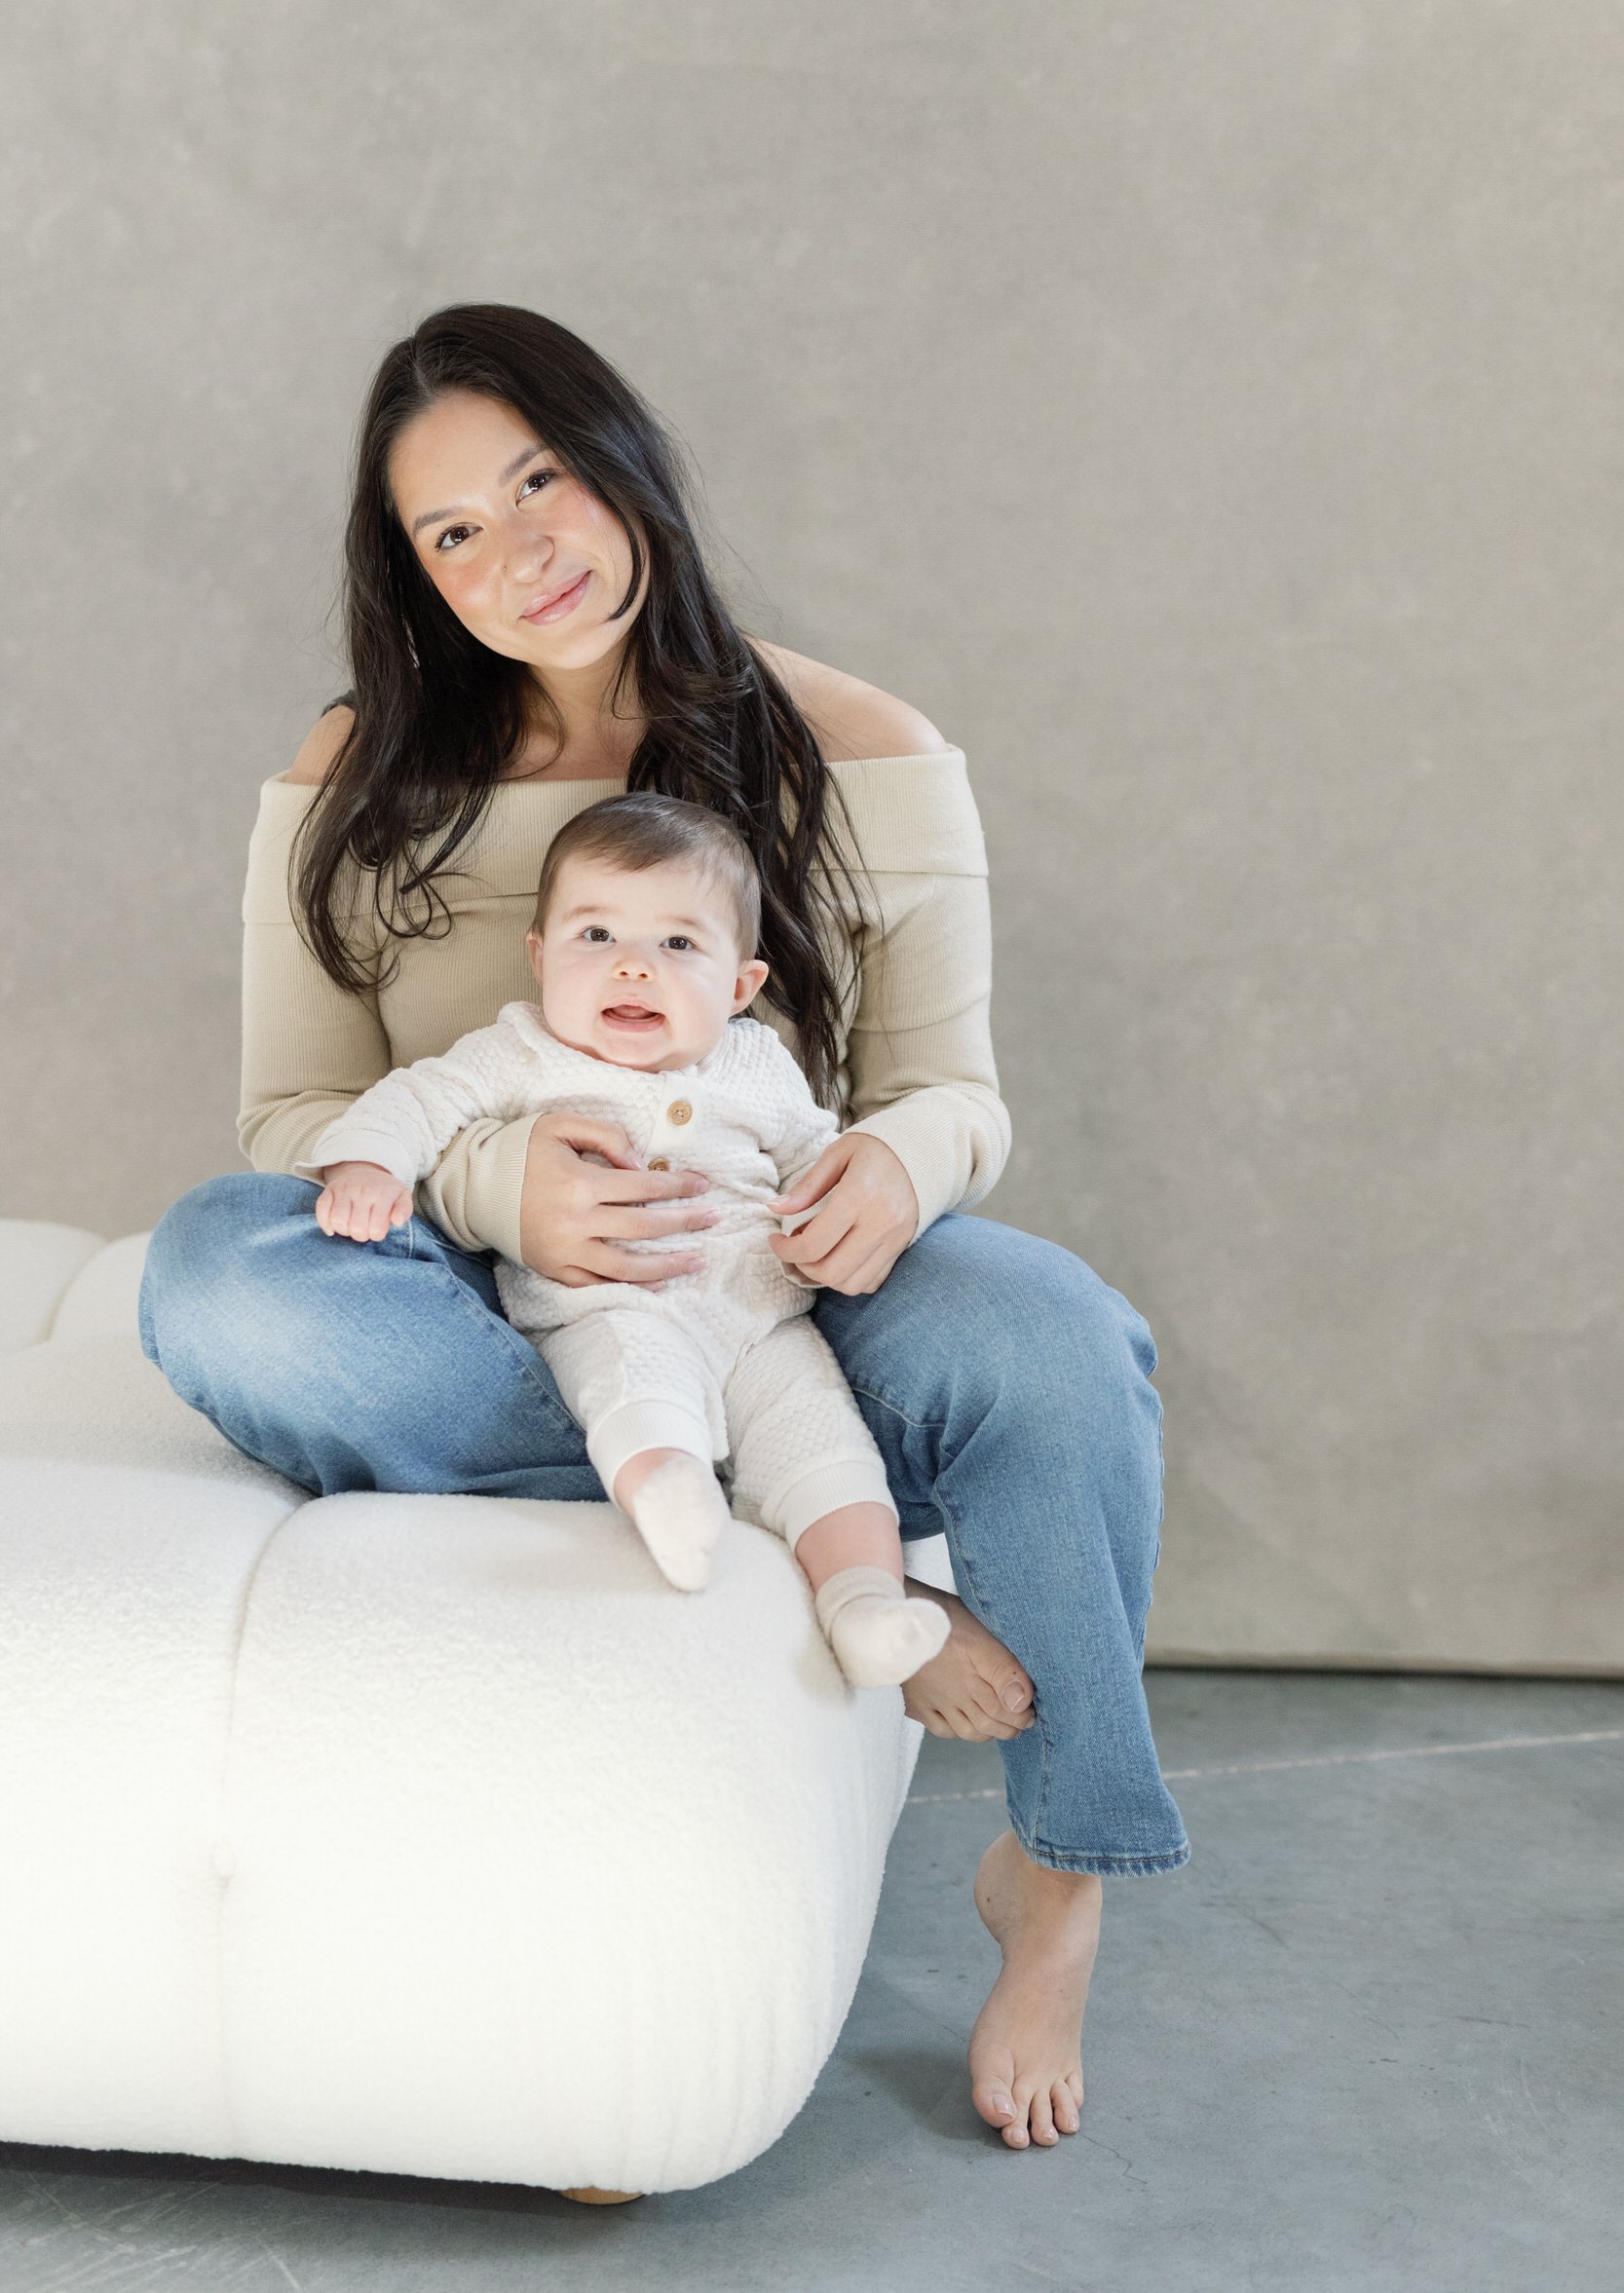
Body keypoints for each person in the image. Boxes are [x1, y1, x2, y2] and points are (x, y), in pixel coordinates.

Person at [137, 300, 1189, 2156]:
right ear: (416, 573)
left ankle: (1057, 1874)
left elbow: (952, 1091)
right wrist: (499, 1186)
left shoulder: (860, 746)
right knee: (219, 1272)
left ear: (620, 460)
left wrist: (898, 1171)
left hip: (777, 1272)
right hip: (483, 1305)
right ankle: (807, 1529)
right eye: (454, 530)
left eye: (540, 480)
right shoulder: (353, 774)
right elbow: (293, 1124)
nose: (518, 551)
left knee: (1053, 1336)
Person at [295, 788, 954, 1687]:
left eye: (677, 944)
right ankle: (672, 1503)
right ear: (540, 957)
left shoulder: (758, 1064)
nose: (633, 967)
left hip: (764, 1323)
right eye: (596, 935)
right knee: (636, 1395)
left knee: (828, 1453)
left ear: (739, 986)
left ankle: (864, 1606)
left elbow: (816, 1159)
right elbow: (418, 1099)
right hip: (610, 1306)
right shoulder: (522, 1051)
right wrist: (369, 1167)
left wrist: (832, 1217)